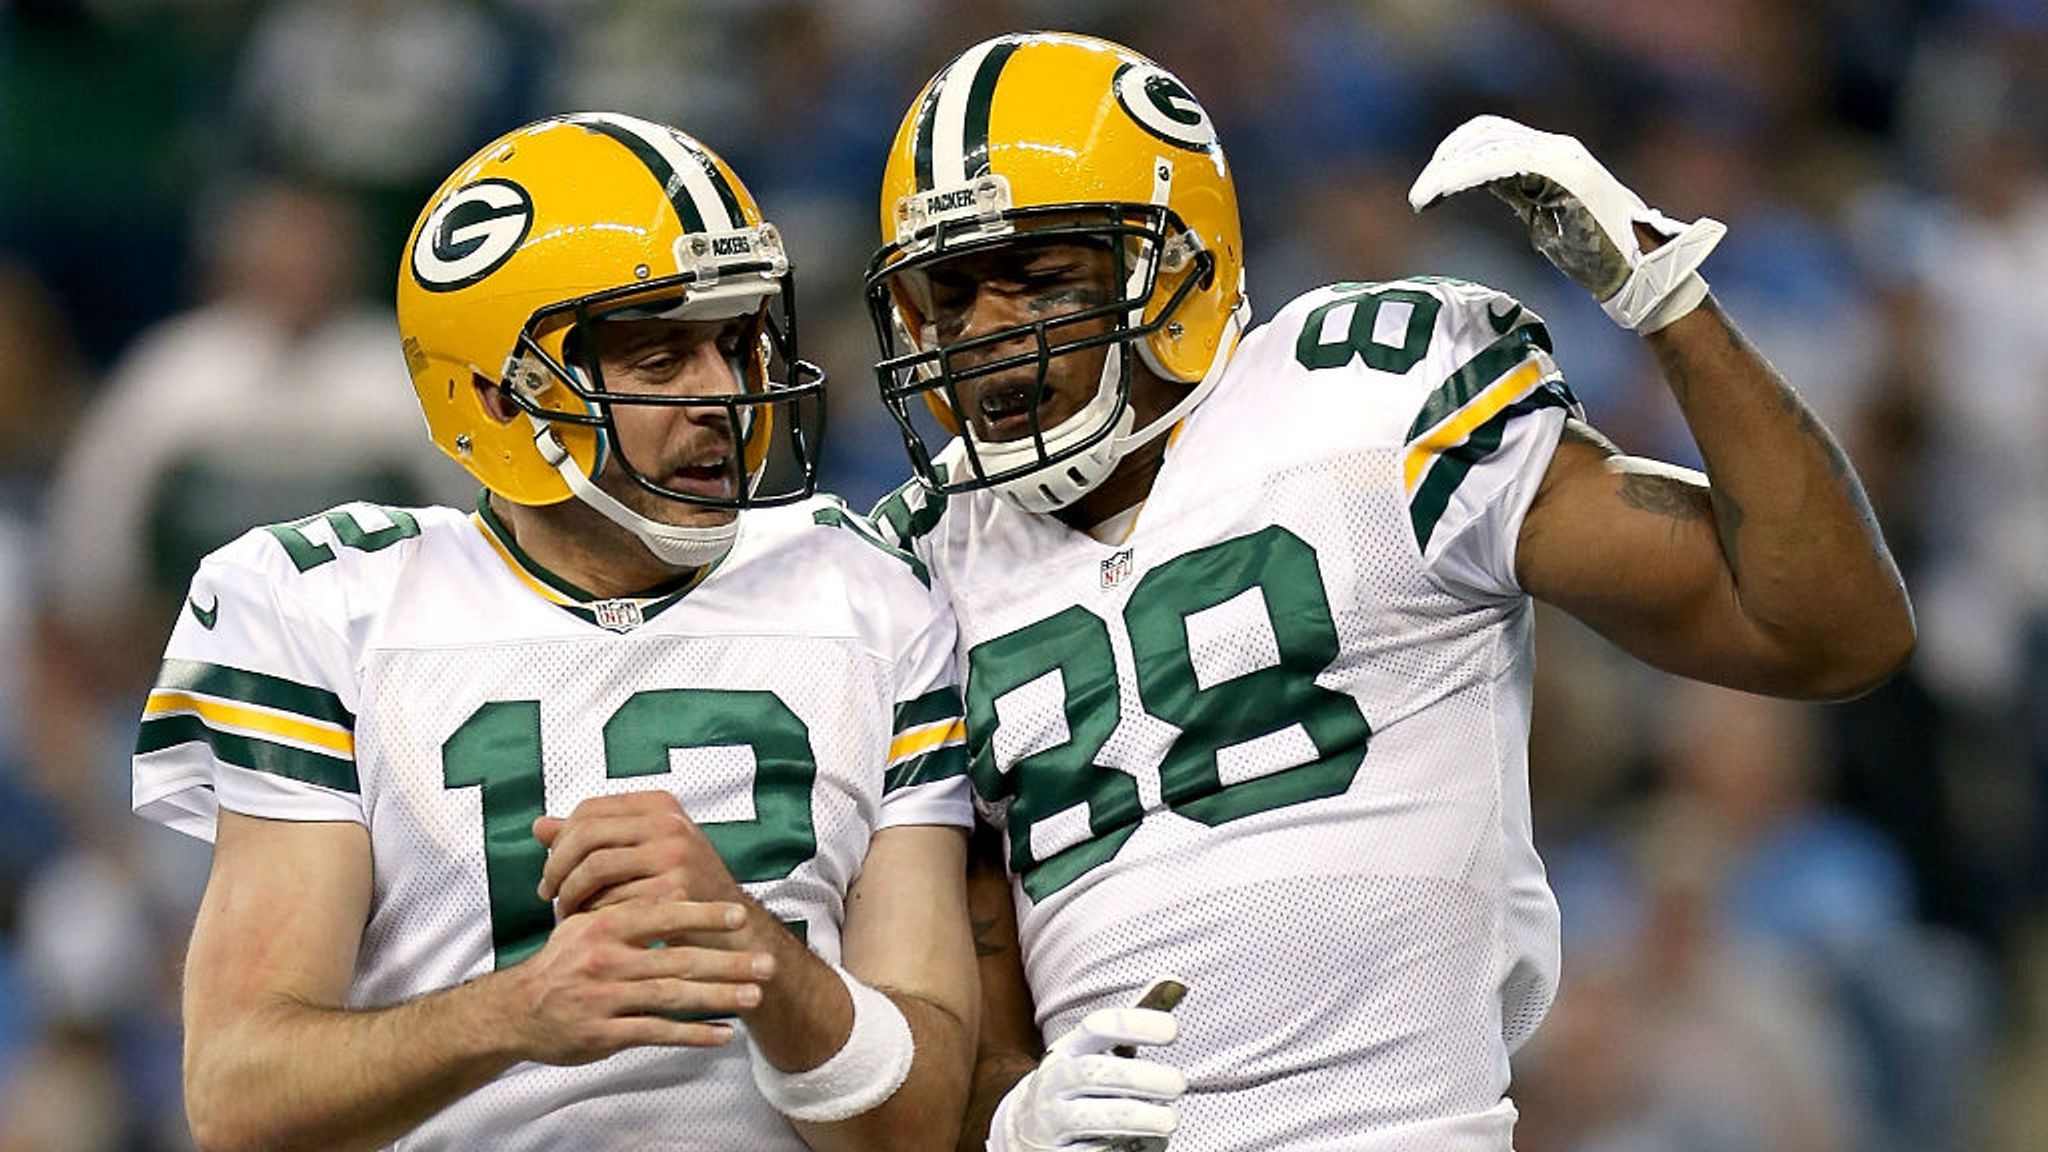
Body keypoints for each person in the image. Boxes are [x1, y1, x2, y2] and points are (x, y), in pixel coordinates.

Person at [859, 32, 1914, 1152]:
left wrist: (1663, 295)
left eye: (1034, 279)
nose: (983, 334)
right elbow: (947, 1021)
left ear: (1176, 264)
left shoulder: (1369, 395)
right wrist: (1009, 1119)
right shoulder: (917, 565)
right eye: (950, 294)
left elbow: (1827, 631)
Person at [130, 113, 978, 1151]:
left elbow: (923, 1121)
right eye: (661, 357)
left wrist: (751, 951)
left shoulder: (869, 589)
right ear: (496, 393)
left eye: (734, 340)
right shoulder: (319, 606)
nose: (721, 394)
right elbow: (239, 1097)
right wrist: (514, 1014)